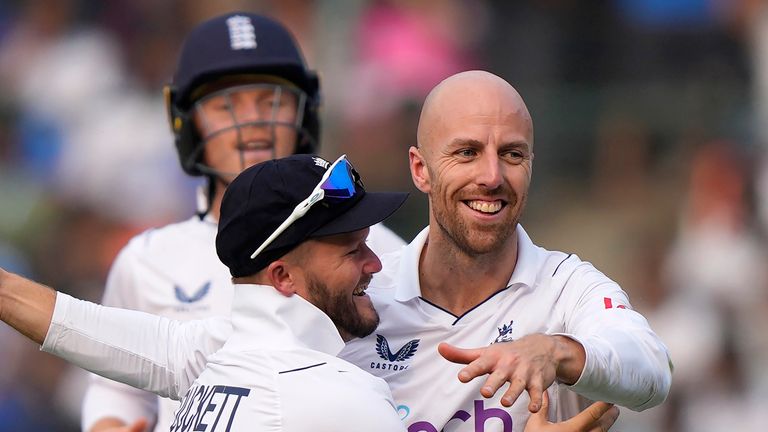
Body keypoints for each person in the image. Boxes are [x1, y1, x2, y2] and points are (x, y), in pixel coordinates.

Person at [2, 71, 664, 431]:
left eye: (512, 155)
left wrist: (561, 353)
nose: (492, 175)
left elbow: (650, 370)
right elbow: (154, 345)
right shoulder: (349, 329)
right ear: (420, 168)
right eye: (466, 152)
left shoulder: (568, 290)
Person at [83, 12, 406, 432]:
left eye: (272, 100)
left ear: (304, 113)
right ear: (187, 123)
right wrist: (110, 425)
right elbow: (115, 383)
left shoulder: (382, 253)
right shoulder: (147, 261)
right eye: (225, 104)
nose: (253, 121)